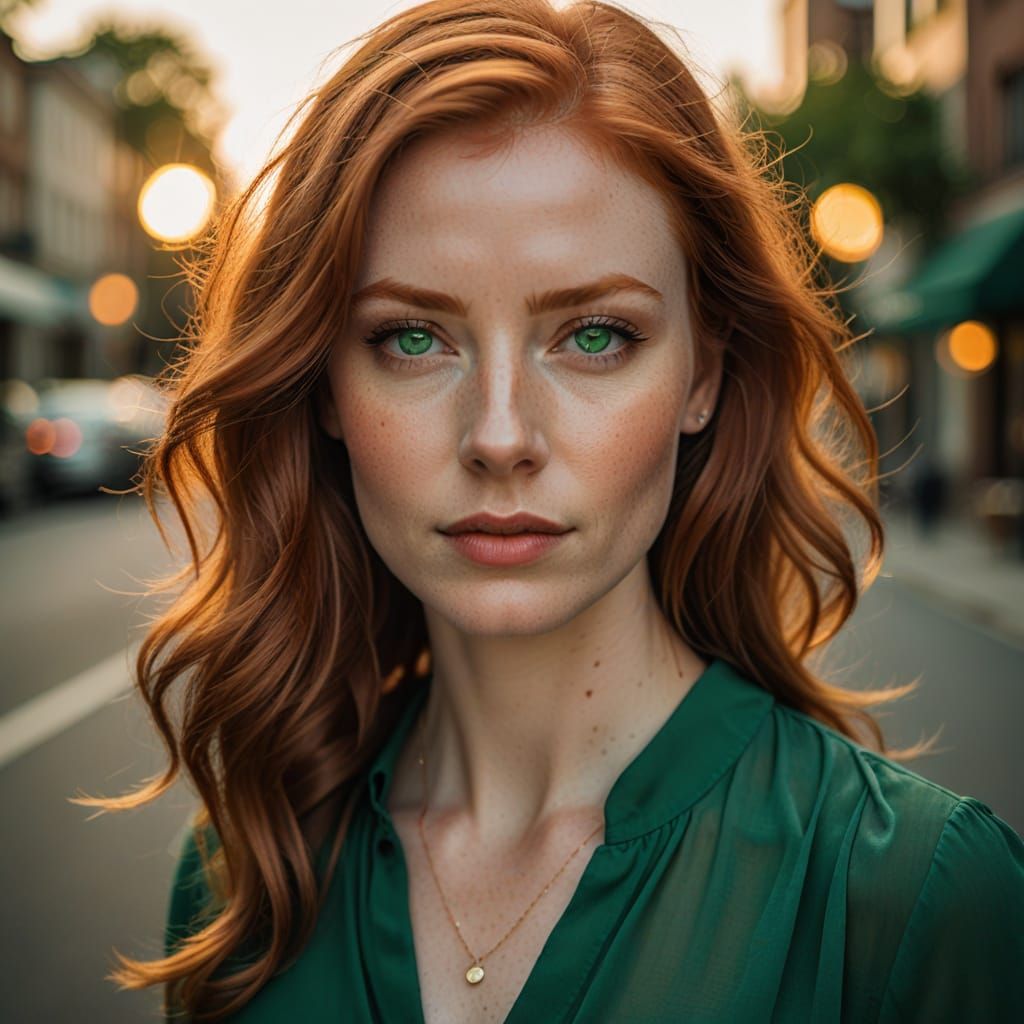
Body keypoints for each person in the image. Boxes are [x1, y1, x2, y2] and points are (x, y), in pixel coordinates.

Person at [81, 0, 1023, 1020]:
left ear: (703, 373)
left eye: (593, 336)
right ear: (323, 390)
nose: (498, 435)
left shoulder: (915, 896)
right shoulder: (241, 880)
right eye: (410, 338)